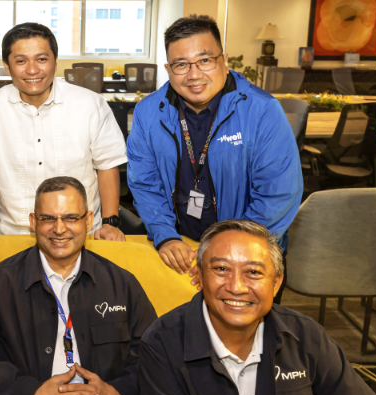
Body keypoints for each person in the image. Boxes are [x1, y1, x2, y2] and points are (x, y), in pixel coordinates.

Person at [139, 219, 376, 395]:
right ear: (200, 276)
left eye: (253, 272)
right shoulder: (162, 344)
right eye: (221, 269)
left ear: (276, 283)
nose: (236, 287)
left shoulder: (306, 337)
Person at [126, 15, 302, 286]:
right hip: (180, 251)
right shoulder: (148, 112)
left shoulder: (262, 110)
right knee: (180, 326)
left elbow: (277, 195)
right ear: (168, 68)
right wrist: (165, 235)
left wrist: (226, 250)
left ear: (224, 59)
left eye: (205, 60)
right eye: (181, 64)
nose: (194, 74)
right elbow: (144, 184)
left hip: (247, 254)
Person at [0, 176, 157, 395]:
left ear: (88, 221)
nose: (59, 229)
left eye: (70, 218)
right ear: (33, 223)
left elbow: (153, 354)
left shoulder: (122, 284)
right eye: (48, 218)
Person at [0, 23, 127, 242]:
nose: (32, 70)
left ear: (55, 61)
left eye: (42, 59)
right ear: (7, 66)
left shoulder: (89, 104)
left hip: (79, 233)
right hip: (13, 233)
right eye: (21, 61)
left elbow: (107, 165)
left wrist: (109, 222)